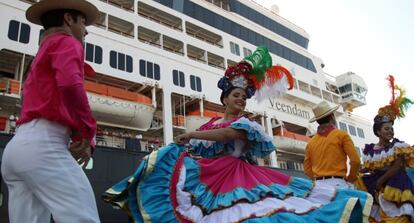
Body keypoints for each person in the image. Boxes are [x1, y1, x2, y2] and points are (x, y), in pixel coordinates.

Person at [103, 46, 372, 223]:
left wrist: (191, 135)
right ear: (225, 99)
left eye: (244, 96)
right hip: (213, 174)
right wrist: (187, 145)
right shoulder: (211, 124)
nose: (241, 100)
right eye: (236, 95)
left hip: (237, 174)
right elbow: (207, 141)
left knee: (251, 214)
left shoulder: (246, 123)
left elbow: (227, 135)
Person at [1, 0, 100, 222]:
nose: (85, 31)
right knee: (84, 218)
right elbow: (70, 85)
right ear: (68, 19)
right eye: (83, 22)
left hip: (16, 149)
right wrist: (87, 132)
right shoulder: (67, 42)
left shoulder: (41, 53)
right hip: (44, 146)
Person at [356, 75, 414, 222]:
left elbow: (397, 166)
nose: (390, 132)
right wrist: (360, 170)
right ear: (378, 132)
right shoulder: (371, 150)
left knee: (401, 218)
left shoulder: (397, 146)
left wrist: (380, 180)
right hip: (379, 184)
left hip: (396, 184)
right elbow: (371, 168)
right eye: (386, 129)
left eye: (391, 129)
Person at [304, 101, 361, 189]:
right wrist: (351, 179)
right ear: (332, 117)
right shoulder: (342, 135)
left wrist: (318, 179)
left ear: (318, 121)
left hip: (318, 186)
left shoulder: (311, 142)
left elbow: (307, 169)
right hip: (338, 183)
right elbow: (355, 161)